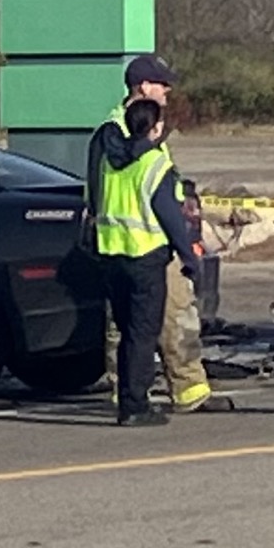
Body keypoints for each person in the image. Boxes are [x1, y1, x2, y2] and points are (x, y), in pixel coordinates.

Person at [94, 55, 228, 414]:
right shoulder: (125, 134)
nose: (168, 89)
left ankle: (170, 392)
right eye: (161, 83)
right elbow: (141, 188)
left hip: (126, 247)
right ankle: (146, 396)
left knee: (155, 320)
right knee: (145, 324)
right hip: (146, 246)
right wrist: (187, 250)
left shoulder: (121, 131)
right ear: (143, 87)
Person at [88, 89, 203, 427]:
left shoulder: (111, 160)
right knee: (142, 334)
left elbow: (95, 198)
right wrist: (189, 256)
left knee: (126, 333)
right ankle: (135, 406)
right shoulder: (155, 163)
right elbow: (168, 214)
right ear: (155, 129)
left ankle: (127, 397)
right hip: (145, 258)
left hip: (112, 255)